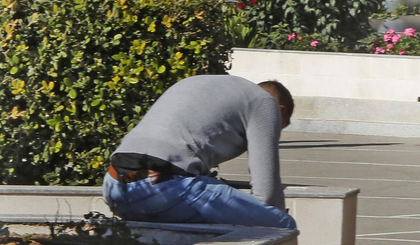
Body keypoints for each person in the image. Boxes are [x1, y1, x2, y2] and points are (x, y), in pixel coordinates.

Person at [103, 74, 297, 229]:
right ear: (280, 110)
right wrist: (277, 214)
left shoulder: (207, 84)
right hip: (163, 189)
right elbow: (266, 191)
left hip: (114, 186)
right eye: (280, 127)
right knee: (281, 224)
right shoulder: (265, 103)